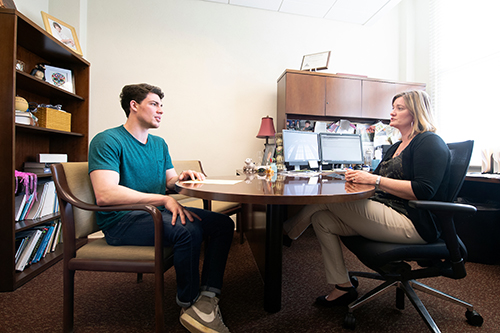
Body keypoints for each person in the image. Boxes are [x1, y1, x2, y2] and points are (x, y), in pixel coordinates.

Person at [88, 83, 234, 333]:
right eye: (154, 104)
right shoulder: (107, 140)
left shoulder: (159, 143)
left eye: (161, 106)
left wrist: (182, 178)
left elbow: (168, 181)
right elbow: (105, 194)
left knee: (223, 224)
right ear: (134, 106)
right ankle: (189, 304)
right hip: (121, 221)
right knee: (188, 231)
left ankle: (208, 295)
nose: (161, 111)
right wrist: (164, 200)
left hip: (155, 214)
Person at [284, 90, 450, 306]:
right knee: (322, 220)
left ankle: (286, 233)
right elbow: (377, 178)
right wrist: (356, 176)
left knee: (326, 198)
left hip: (412, 222)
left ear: (416, 113)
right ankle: (342, 287)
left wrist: (374, 181)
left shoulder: (429, 142)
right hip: (386, 210)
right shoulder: (395, 147)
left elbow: (423, 190)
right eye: (393, 107)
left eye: (399, 108)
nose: (392, 112)